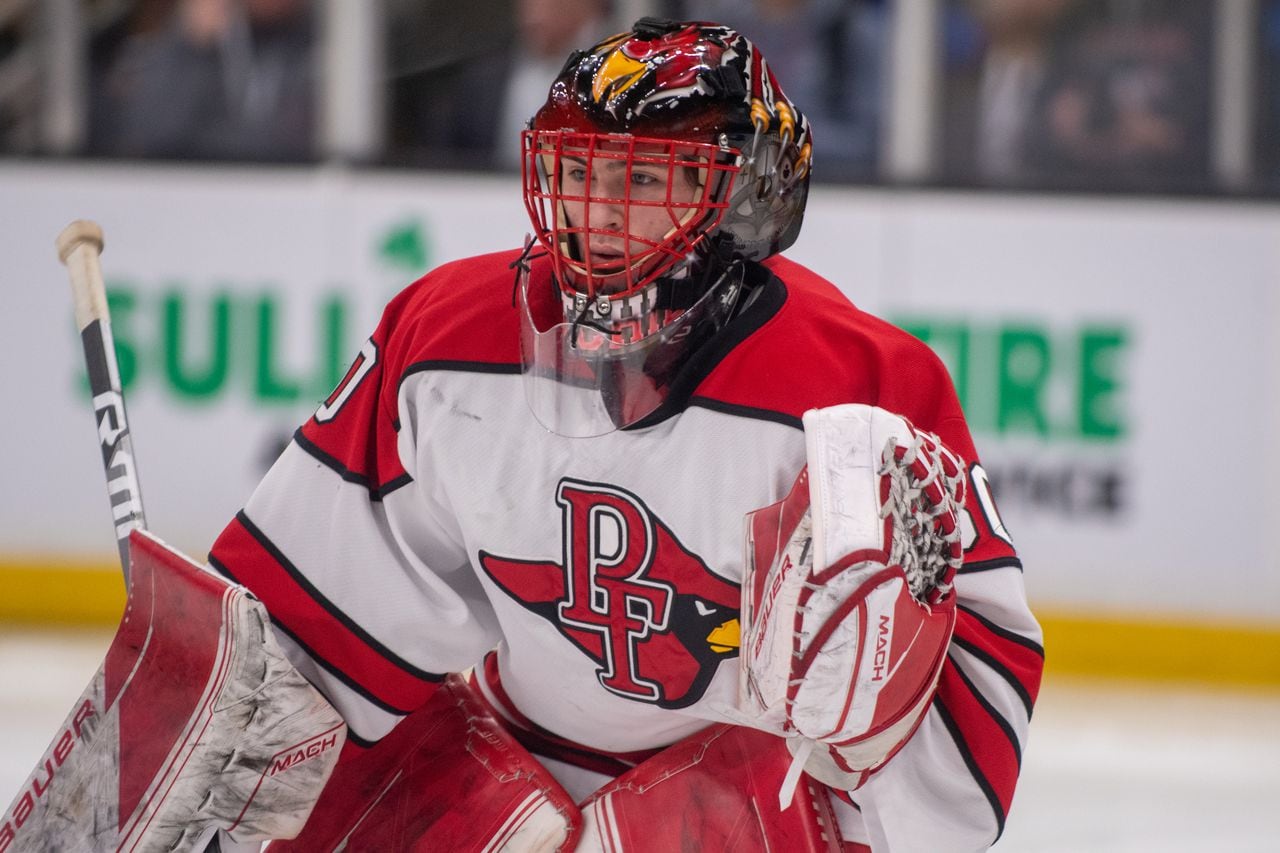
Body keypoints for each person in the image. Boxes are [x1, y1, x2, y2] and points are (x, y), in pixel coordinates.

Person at [209, 18, 1043, 851]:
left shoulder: (861, 391)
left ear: (746, 199)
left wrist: (885, 723)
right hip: (507, 773)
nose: (600, 217)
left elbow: (972, 750)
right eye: (578, 174)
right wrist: (214, 771)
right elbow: (296, 629)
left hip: (762, 807)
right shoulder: (448, 340)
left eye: (645, 181)